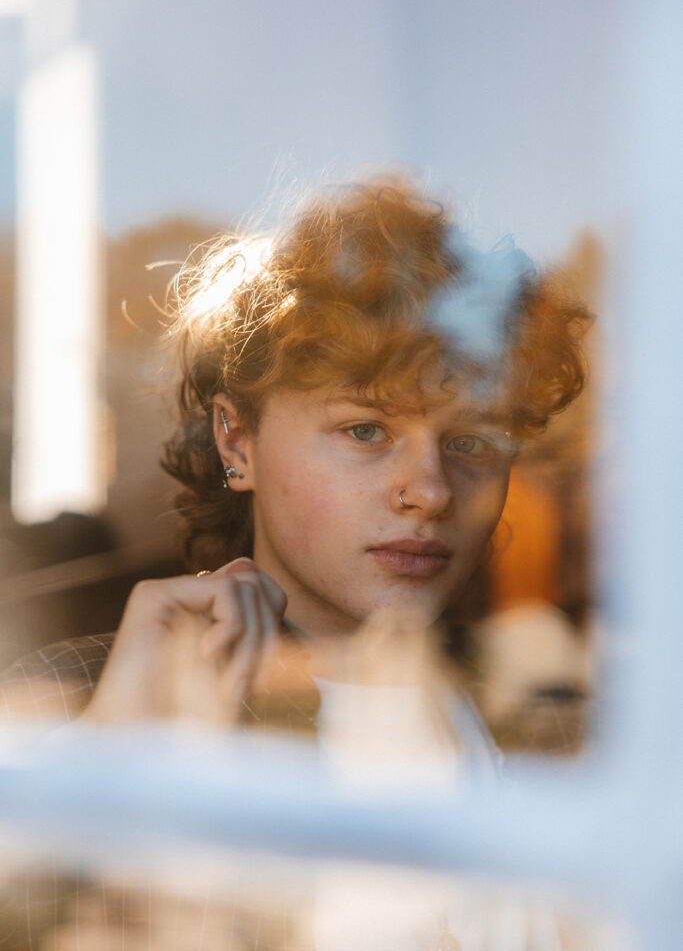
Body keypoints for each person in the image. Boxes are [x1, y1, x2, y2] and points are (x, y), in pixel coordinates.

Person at [0, 178, 590, 948]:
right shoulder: (84, 697)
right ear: (235, 441)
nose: (431, 489)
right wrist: (107, 764)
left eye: (472, 442)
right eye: (366, 431)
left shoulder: (535, 719)